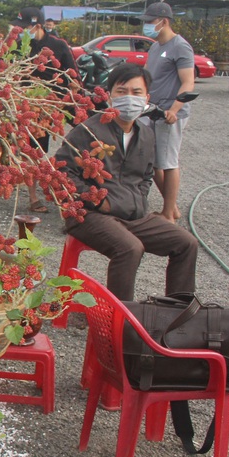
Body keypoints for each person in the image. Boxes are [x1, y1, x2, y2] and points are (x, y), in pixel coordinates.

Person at [55, 62, 198, 301]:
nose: (129, 98)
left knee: (186, 243)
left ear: (147, 98)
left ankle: (177, 315)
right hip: (89, 215)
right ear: (110, 96)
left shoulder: (146, 134)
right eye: (122, 92)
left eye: (136, 92)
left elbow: (146, 176)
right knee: (129, 248)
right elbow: (62, 174)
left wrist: (138, 201)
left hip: (133, 215)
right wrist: (99, 203)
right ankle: (118, 321)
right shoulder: (88, 132)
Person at [11, 6, 79, 213]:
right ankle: (33, 198)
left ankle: (71, 192)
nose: (21, 30)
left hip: (53, 106)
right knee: (32, 152)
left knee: (76, 143)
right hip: (28, 107)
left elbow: (73, 78)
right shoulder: (19, 45)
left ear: (37, 26)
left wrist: (69, 101)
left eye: (24, 27)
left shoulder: (58, 46)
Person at [139, 1, 195, 222]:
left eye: (150, 22)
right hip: (152, 111)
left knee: (168, 162)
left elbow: (188, 82)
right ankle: (172, 208)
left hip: (170, 114)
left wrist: (174, 109)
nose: (147, 26)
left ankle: (168, 215)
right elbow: (147, 77)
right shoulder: (155, 47)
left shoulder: (180, 47)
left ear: (164, 21)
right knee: (152, 162)